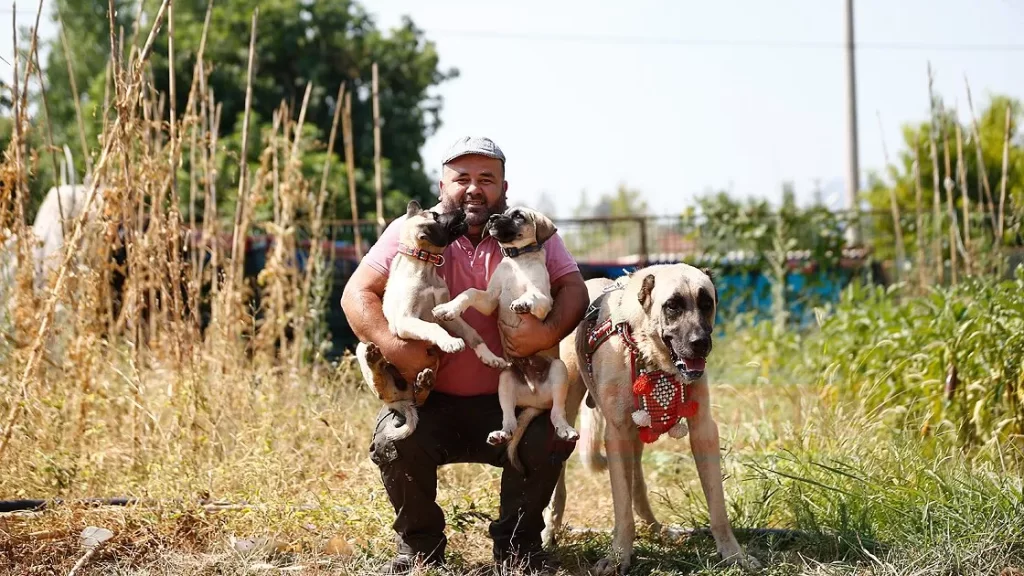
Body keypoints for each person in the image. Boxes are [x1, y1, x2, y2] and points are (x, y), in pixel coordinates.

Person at [341, 136, 589, 575]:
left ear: (504, 188)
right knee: (394, 440)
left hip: (512, 399)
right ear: (442, 186)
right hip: (431, 401)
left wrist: (545, 334)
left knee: (550, 437)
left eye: (486, 180)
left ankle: (518, 549)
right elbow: (356, 293)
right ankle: (421, 550)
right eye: (463, 179)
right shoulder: (414, 230)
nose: (474, 189)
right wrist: (399, 349)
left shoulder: (528, 231)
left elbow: (574, 288)